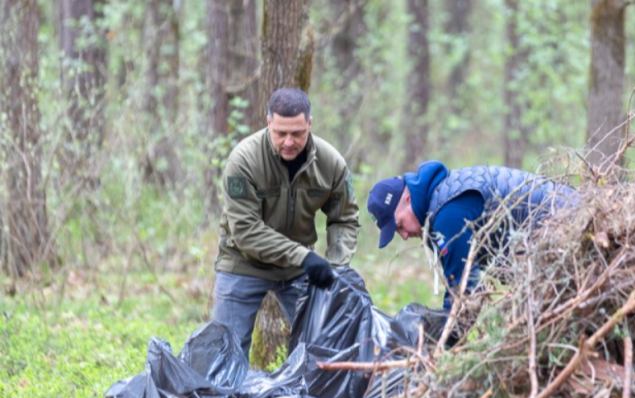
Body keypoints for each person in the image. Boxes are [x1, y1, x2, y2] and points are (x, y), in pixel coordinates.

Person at [212, 88, 360, 357]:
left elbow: (345, 218)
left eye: (297, 133)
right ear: (268, 123)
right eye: (280, 133)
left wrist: (337, 264)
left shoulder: (330, 162)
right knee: (224, 357)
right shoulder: (243, 160)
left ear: (310, 124)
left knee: (320, 349)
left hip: (299, 271)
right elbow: (246, 231)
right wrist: (304, 257)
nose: (289, 142)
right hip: (243, 262)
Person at [367, 161, 577, 310]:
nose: (403, 236)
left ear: (407, 199)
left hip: (570, 224)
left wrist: (438, 349)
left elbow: (465, 295)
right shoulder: (439, 200)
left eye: (400, 225)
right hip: (564, 224)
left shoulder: (447, 214)